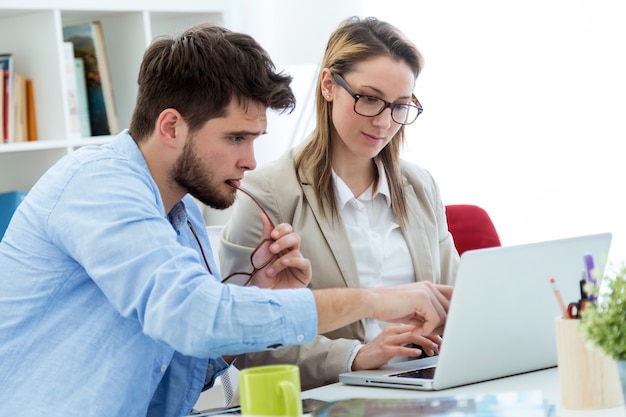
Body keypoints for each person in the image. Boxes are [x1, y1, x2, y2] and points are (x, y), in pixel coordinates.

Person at [0, 23, 452, 417]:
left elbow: (184, 365)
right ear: (171, 126)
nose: (250, 161)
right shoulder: (97, 186)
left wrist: (259, 297)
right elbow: (194, 316)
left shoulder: (184, 214)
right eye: (236, 137)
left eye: (255, 139)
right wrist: (374, 300)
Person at [221, 16, 459, 391]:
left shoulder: (420, 185)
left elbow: (457, 298)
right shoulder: (267, 193)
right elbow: (248, 341)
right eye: (369, 99)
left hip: (428, 385)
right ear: (329, 85)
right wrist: (356, 356)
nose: (384, 122)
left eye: (400, 106)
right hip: (336, 397)